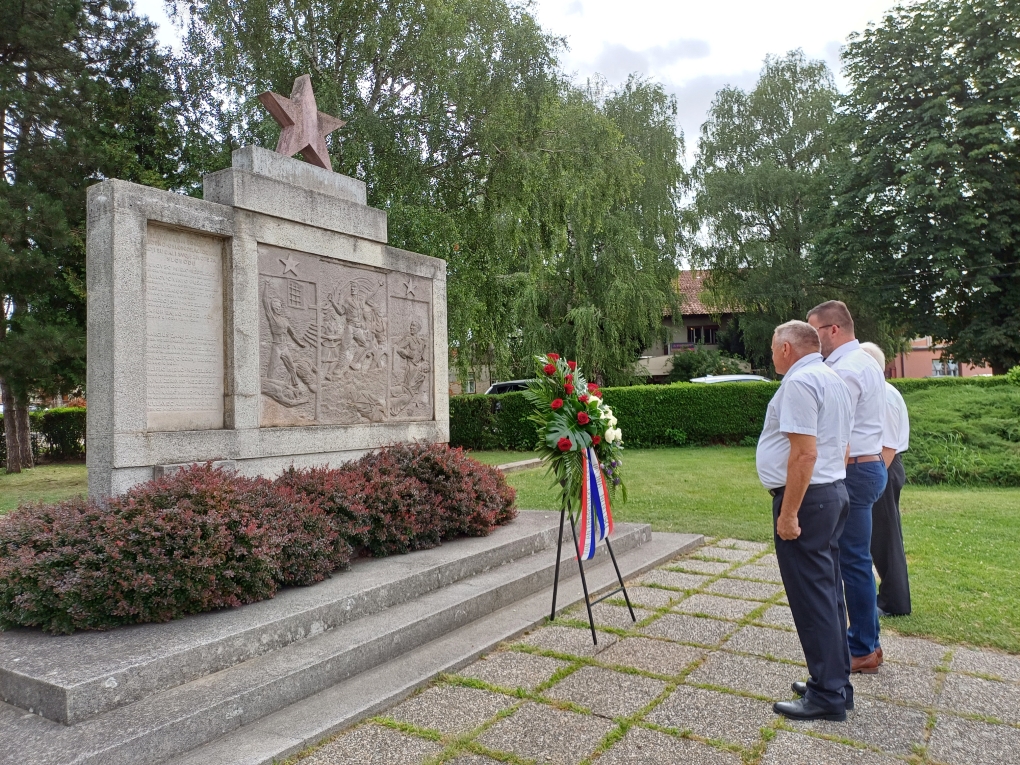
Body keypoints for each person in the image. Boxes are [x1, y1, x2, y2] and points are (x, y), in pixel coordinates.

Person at [757, 320, 854, 721]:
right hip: (831, 493)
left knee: (813, 600)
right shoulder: (832, 378)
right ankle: (835, 682)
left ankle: (827, 695)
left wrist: (789, 512)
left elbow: (804, 454)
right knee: (829, 595)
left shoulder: (799, 383)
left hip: (808, 501)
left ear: (785, 349)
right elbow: (841, 446)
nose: (772, 354)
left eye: (772, 347)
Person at [807, 301, 888, 673]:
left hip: (853, 470)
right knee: (856, 560)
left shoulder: (846, 369)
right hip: (866, 467)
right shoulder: (865, 361)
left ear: (834, 330)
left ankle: (862, 647)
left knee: (852, 562)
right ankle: (868, 642)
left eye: (815, 332)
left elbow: (836, 428)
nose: (812, 339)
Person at [859, 342, 912, 615]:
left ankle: (894, 602)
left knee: (886, 537)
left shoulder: (886, 396)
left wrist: (873, 483)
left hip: (883, 470)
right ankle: (890, 598)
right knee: (879, 537)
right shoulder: (878, 393)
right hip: (878, 469)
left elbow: (888, 448)